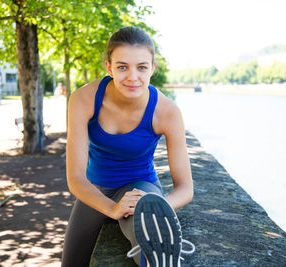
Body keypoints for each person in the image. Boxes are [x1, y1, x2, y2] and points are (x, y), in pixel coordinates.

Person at [61, 26, 195, 267]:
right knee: (72, 263)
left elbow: (185, 188)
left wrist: (157, 205)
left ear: (152, 69)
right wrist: (112, 208)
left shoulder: (167, 112)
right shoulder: (83, 99)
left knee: (146, 227)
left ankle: (158, 259)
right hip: (95, 190)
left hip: (141, 188)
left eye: (142, 67)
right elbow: (76, 178)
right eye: (122, 67)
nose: (133, 77)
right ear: (109, 67)